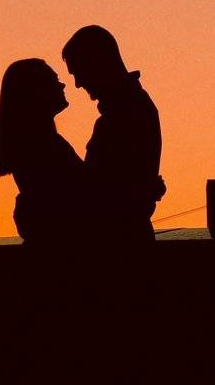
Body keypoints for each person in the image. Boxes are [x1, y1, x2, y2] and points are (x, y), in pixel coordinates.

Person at [62, 26, 165, 242]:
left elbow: (103, 192)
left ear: (96, 63)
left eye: (78, 71)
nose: (78, 84)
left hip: (119, 242)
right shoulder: (130, 109)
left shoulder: (127, 113)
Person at [0, 58, 88, 245]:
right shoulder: (43, 147)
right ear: (35, 92)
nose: (62, 85)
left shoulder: (35, 145)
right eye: (53, 81)